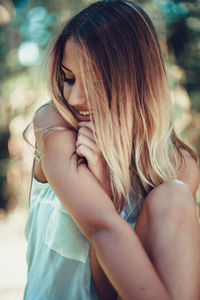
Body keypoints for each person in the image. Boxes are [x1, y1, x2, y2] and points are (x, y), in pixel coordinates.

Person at [23, 1, 200, 299]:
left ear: (133, 81)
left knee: (173, 197)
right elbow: (103, 235)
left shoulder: (176, 166)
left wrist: (111, 195)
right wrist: (109, 205)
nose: (75, 97)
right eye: (68, 78)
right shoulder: (55, 126)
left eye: (92, 81)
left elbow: (108, 291)